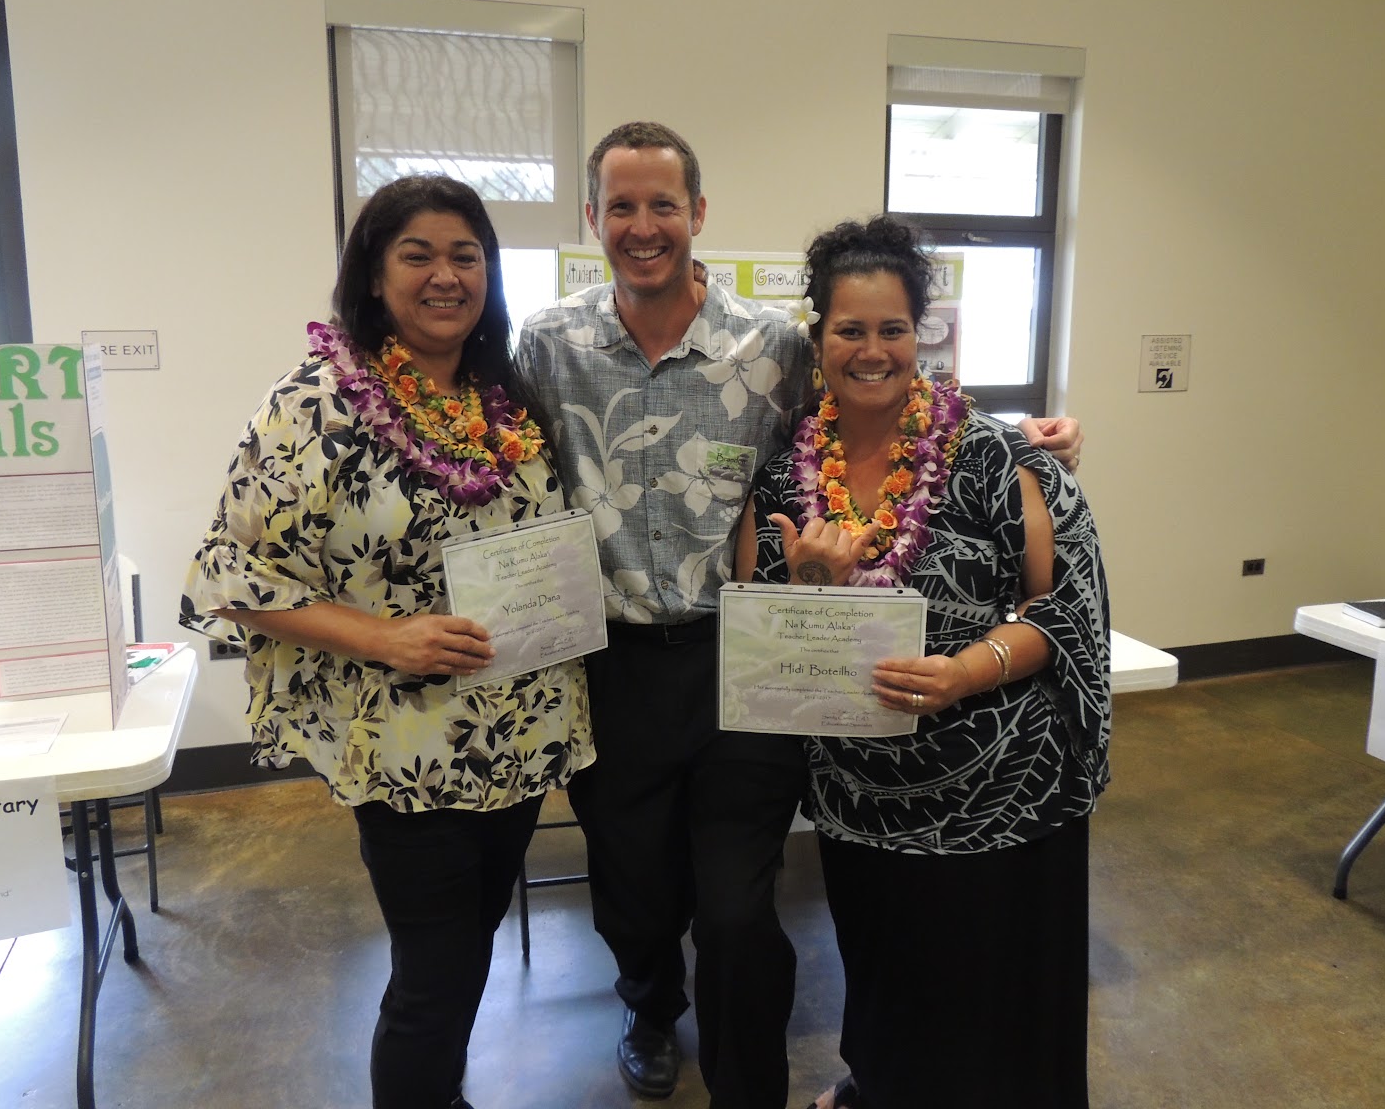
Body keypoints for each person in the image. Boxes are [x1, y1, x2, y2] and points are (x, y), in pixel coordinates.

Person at [516, 121, 1086, 1108]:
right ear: (592, 216)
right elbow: (502, 457)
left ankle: (749, 1090)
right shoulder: (546, 343)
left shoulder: (771, 344)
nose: (644, 226)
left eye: (664, 204)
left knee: (738, 915)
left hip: (742, 654)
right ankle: (649, 1003)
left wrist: (1022, 439)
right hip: (610, 662)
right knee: (636, 894)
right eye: (623, 206)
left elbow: (884, 401)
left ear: (698, 213)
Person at [179, 175, 592, 1109]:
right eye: (418, 255)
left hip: (518, 732)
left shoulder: (501, 396)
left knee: (469, 947)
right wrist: (387, 638)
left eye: (466, 256)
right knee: (432, 975)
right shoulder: (317, 402)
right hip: (405, 743)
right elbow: (229, 573)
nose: (446, 276)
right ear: (373, 275)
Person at [734, 215, 1111, 1109]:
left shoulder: (997, 456)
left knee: (995, 998)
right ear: (817, 338)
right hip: (860, 790)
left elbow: (1068, 609)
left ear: (920, 335)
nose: (872, 351)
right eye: (850, 330)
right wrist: (814, 582)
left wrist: (966, 672)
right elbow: (756, 641)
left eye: (892, 329)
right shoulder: (784, 476)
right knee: (889, 977)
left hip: (1003, 790)